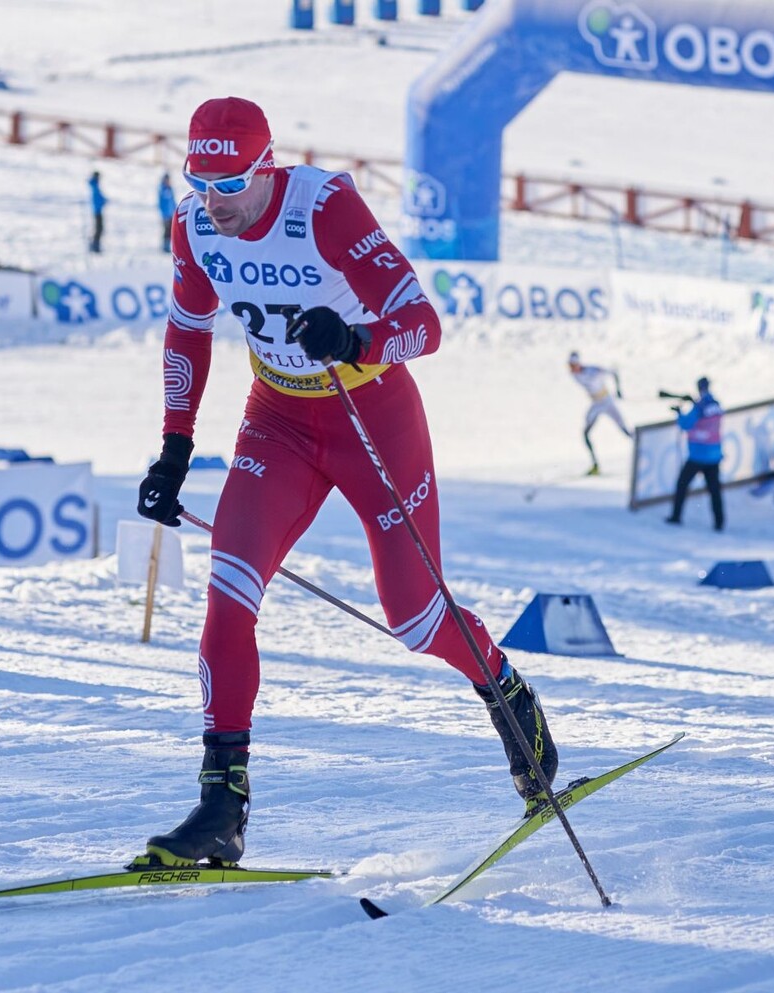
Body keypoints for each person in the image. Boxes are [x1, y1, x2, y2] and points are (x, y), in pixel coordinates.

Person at [134, 95, 558, 868]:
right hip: (278, 421)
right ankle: (221, 806)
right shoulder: (194, 225)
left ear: (267, 168)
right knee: (228, 590)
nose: (214, 201)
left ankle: (505, 690)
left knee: (414, 617)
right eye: (200, 182)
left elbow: (424, 324)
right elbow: (186, 332)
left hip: (372, 416)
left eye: (230, 184)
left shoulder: (323, 207)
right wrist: (174, 446)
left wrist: (355, 336)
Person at [666, 376, 725, 531]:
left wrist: (679, 413)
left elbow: (686, 424)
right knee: (715, 491)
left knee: (682, 485)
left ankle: (676, 516)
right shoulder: (716, 404)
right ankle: (719, 522)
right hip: (714, 455)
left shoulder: (700, 406)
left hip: (698, 455)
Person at [567, 351, 632, 475]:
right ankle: (595, 465)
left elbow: (613, 372)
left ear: (577, 364)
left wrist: (618, 391)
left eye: (572, 365)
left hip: (607, 401)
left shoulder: (593, 370)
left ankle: (644, 449)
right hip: (596, 403)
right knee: (586, 433)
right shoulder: (574, 375)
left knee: (625, 431)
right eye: (570, 365)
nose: (571, 368)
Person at [88, 171, 107, 254]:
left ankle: (95, 245)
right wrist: (103, 201)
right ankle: (95, 245)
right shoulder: (95, 186)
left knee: (99, 228)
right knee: (99, 228)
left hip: (97, 210)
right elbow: (97, 198)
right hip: (97, 210)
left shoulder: (94, 185)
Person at [157, 172, 176, 253]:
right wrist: (164, 214)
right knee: (166, 230)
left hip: (171, 213)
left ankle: (169, 245)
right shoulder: (162, 189)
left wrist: (175, 210)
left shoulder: (170, 189)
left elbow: (173, 201)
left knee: (171, 230)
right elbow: (161, 203)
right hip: (165, 214)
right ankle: (165, 246)